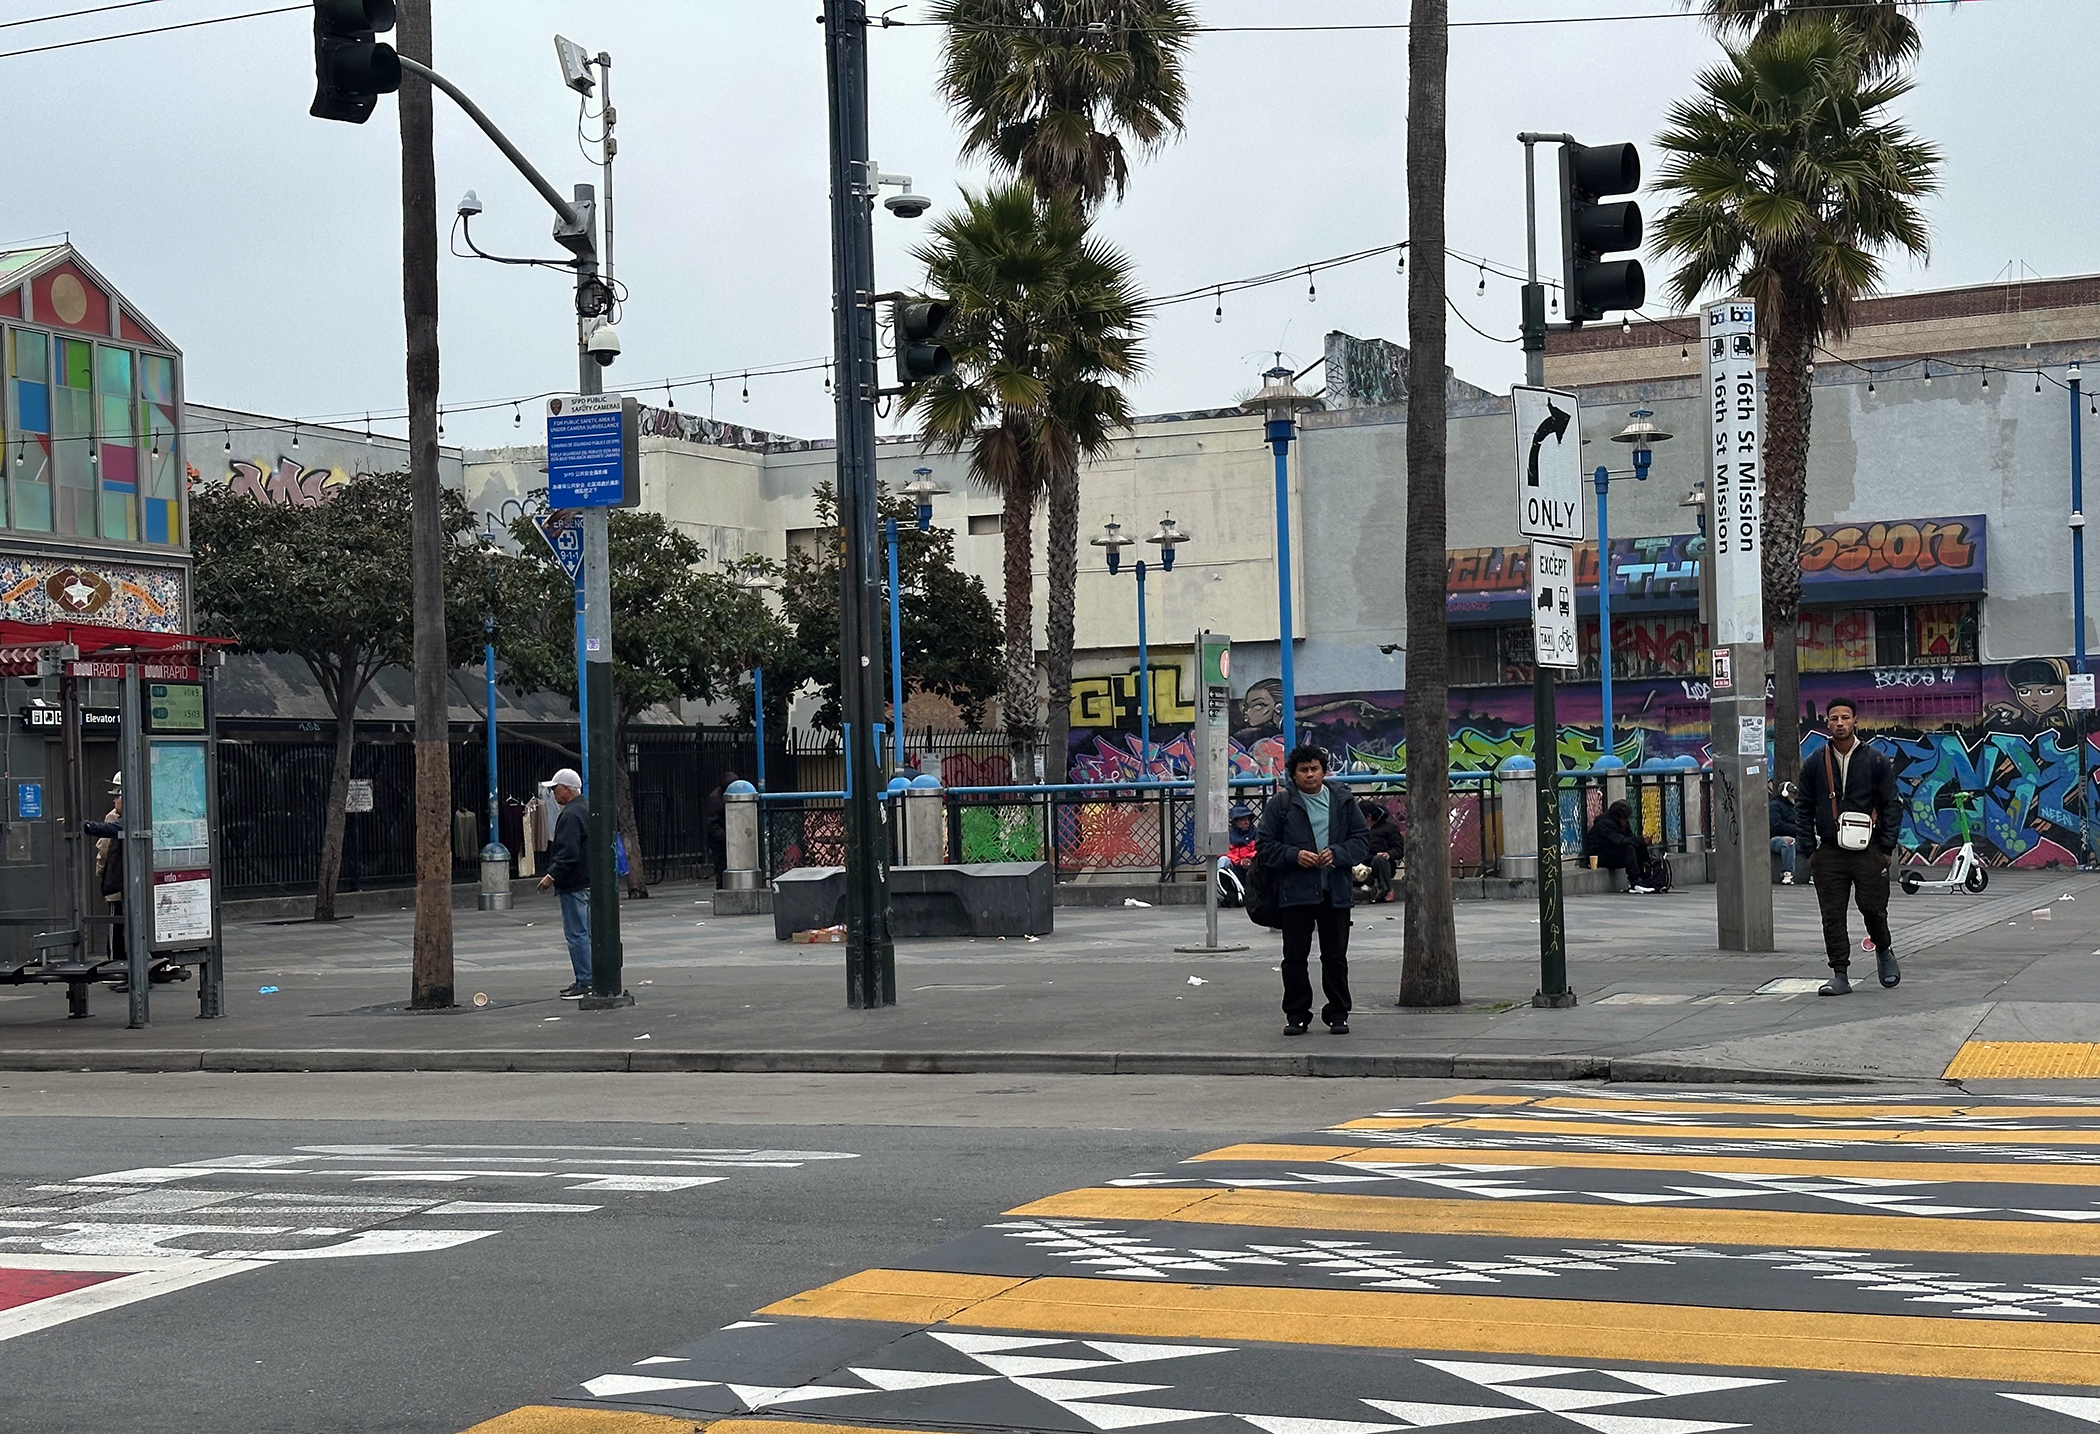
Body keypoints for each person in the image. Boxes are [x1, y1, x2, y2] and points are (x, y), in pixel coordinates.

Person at [1256, 745, 1371, 1036]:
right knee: (1295, 957)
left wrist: (1339, 853)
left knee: (1335, 957)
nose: (1310, 775)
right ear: (1293, 775)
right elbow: (1264, 846)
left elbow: (1361, 840)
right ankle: (1296, 1014)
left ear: (1324, 770)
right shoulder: (1281, 805)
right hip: (1295, 894)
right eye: (1303, 770)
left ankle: (1338, 1012)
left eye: (1315, 769)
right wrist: (1294, 856)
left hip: (1335, 893)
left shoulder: (1342, 801)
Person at [1795, 698, 1901, 995]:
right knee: (1832, 914)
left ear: (1855, 720)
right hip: (1829, 850)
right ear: (1826, 723)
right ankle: (1839, 973)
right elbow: (1802, 806)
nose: (1839, 723)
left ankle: (1884, 949)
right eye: (1833, 718)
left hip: (1869, 849)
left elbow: (1892, 804)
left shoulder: (1875, 760)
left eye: (1845, 717)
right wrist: (1809, 850)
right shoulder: (1815, 761)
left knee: (1873, 908)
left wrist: (1885, 848)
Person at [536, 768, 593, 998]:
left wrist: (551, 875)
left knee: (576, 934)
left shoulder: (570, 815)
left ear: (566, 789)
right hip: (589, 880)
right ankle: (589, 977)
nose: (553, 793)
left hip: (574, 882)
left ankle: (585, 980)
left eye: (555, 788)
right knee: (587, 933)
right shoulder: (588, 809)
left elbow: (568, 852)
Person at [1587, 799, 1653, 894]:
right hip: (1600, 856)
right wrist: (1640, 840)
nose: (1626, 821)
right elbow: (1620, 840)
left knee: (1638, 846)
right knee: (1628, 848)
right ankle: (1635, 882)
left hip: (1613, 851)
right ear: (1618, 817)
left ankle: (1645, 878)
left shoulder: (1622, 824)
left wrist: (1642, 841)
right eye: (1624, 819)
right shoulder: (1605, 824)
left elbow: (1630, 838)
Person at [1357, 798, 1404, 903]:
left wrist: (1389, 854)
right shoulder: (1357, 830)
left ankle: (1388, 890)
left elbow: (1399, 849)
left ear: (1368, 817)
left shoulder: (1389, 828)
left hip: (1379, 864)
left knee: (1379, 859)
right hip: (1360, 865)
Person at [1769, 780, 1800, 885]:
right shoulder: (1775, 805)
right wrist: (1796, 828)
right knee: (1788, 842)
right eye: (1792, 793)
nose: (1794, 795)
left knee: (1817, 841)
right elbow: (1776, 825)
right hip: (1775, 838)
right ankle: (1788, 873)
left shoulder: (1795, 806)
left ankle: (1814, 874)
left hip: (1796, 836)